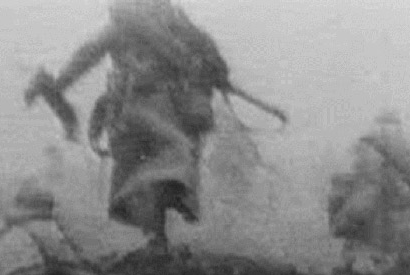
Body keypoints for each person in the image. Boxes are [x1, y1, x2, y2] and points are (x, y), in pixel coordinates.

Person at [25, 0, 286, 254]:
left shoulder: (169, 24)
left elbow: (207, 58)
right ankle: (156, 239)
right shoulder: (142, 22)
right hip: (142, 111)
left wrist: (214, 72)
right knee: (166, 163)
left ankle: (157, 239)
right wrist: (57, 85)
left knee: (158, 171)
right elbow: (87, 54)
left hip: (152, 112)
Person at [329, 111, 410, 275]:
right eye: (384, 132)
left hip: (400, 257)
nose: (387, 137)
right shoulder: (364, 174)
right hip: (370, 258)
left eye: (391, 132)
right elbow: (342, 223)